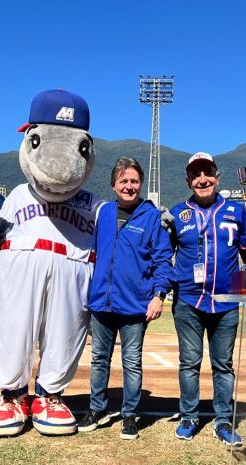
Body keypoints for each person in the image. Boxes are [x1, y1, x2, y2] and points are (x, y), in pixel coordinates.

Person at [79, 157, 173, 440]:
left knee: (131, 362)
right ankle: (97, 409)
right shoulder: (103, 213)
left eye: (134, 181)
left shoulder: (152, 217)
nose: (129, 186)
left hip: (135, 306)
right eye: (123, 181)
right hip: (102, 303)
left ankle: (129, 414)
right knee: (99, 360)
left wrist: (159, 296)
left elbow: (163, 261)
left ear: (140, 184)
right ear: (113, 185)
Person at [168, 152, 246, 446]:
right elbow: (164, 255)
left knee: (223, 365)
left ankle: (223, 421)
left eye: (207, 173)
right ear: (189, 180)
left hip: (227, 302)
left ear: (217, 177)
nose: (202, 179)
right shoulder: (178, 214)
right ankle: (189, 416)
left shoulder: (236, 211)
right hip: (189, 301)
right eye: (196, 174)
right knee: (189, 363)